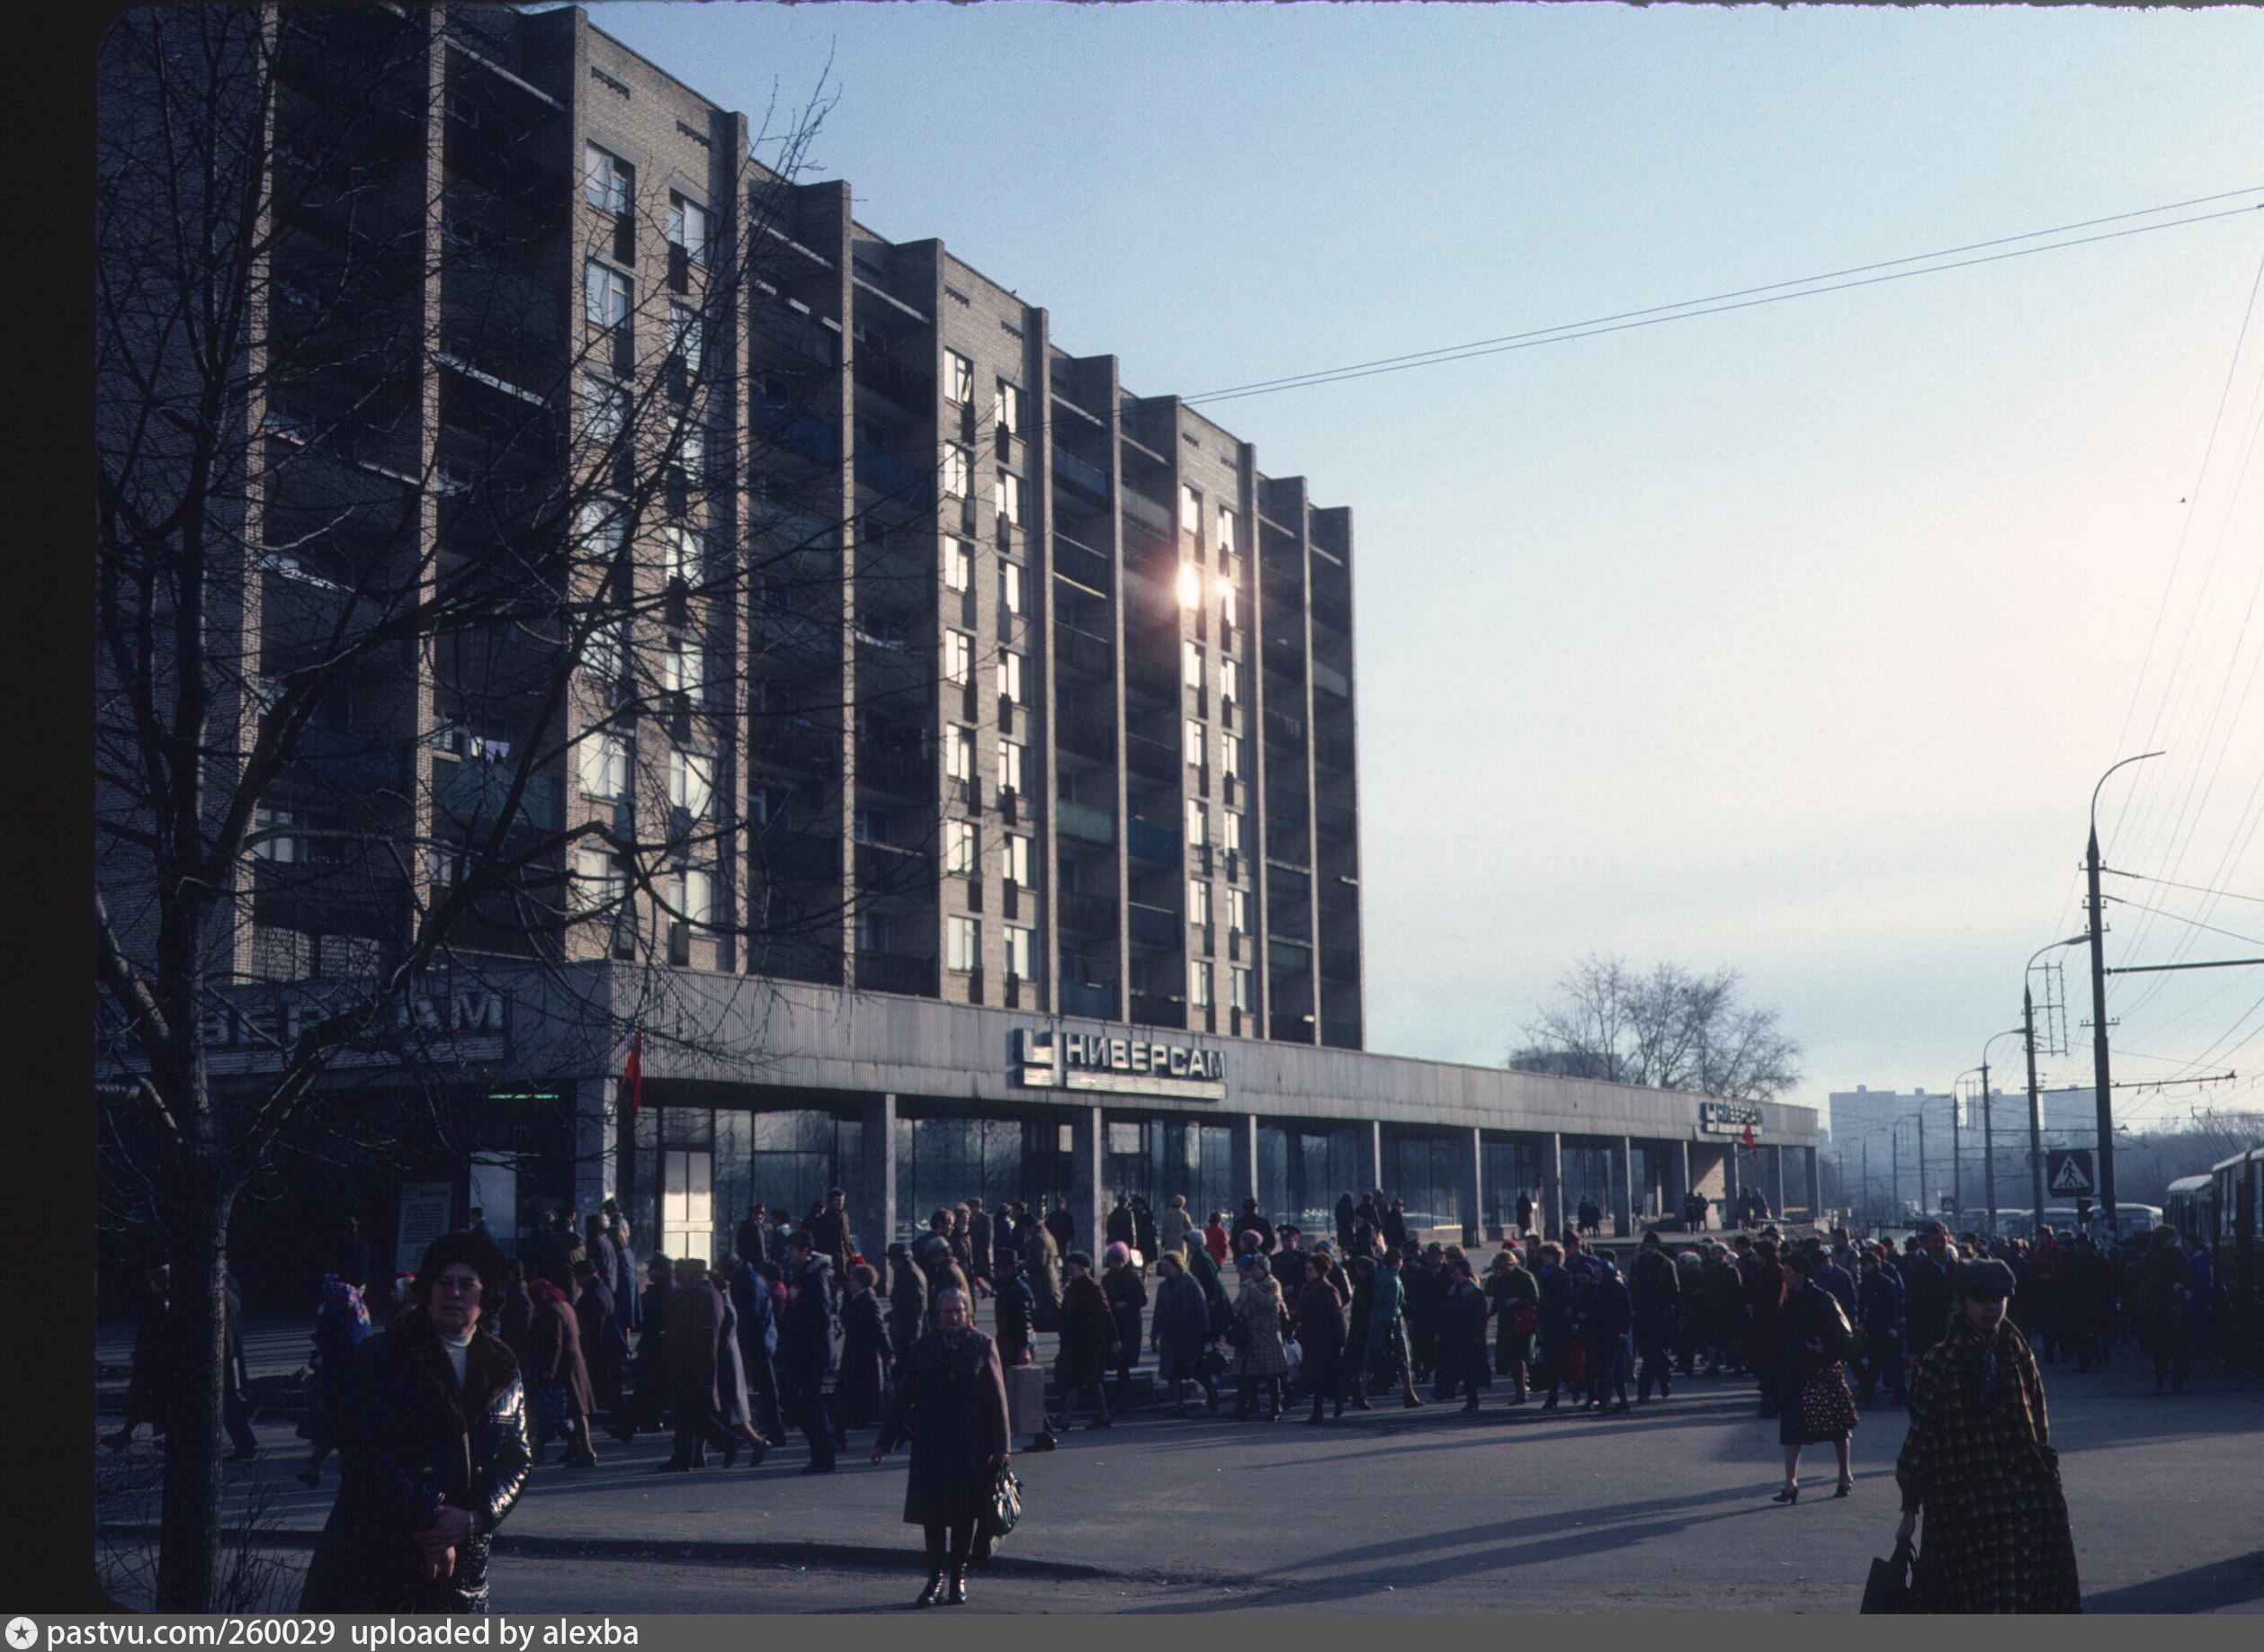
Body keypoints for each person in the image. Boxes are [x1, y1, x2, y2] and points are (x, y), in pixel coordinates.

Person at [300, 1231, 531, 1612]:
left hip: (464, 1564)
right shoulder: (383, 1355)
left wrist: (476, 1517)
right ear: (427, 1290)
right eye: (443, 1283)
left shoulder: (504, 1366)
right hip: (376, 1559)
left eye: (466, 1285)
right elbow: (363, 1451)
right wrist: (433, 1520)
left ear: (486, 1294)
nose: (453, 1293)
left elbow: (518, 1457)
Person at [1893, 1259, 2081, 1612]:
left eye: (1998, 1298)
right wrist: (1909, 1506)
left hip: (2020, 1498)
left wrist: (2046, 1476)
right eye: (1981, 1299)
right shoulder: (1941, 1361)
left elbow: (2038, 1423)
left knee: (2019, 1597)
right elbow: (1921, 1435)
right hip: (1962, 1505)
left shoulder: (2017, 1352)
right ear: (1963, 1303)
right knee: (1972, 1600)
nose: (1991, 1308)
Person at [872, 1287, 1011, 1608]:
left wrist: (1002, 1445)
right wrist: (884, 1442)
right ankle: (934, 1579)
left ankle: (958, 1578)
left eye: (958, 1311)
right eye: (947, 1312)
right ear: (938, 1315)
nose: (953, 1317)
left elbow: (997, 1399)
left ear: (967, 1314)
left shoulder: (982, 1344)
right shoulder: (924, 1347)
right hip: (932, 1445)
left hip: (970, 1446)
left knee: (963, 1517)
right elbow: (904, 1397)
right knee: (932, 1516)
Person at [1770, 1251, 1857, 1502]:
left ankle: (1844, 1474)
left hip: (1822, 1368)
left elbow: (1845, 1332)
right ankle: (1790, 1484)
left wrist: (1826, 1348)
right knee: (1791, 1429)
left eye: (1787, 1272)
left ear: (1800, 1274)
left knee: (1838, 1427)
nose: (1784, 1276)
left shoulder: (1822, 1299)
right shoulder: (1789, 1300)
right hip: (1794, 1369)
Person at [297, 1274, 372, 1487]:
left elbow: (333, 1349)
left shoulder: (336, 1317)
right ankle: (316, 1468)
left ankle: (320, 1469)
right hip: (355, 1381)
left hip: (341, 1383)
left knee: (338, 1429)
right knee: (338, 1430)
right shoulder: (357, 1314)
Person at [778, 1232, 839, 1472]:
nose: (788, 1254)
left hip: (812, 1351)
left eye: (792, 1250)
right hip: (803, 1349)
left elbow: (821, 1314)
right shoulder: (805, 1273)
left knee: (811, 1403)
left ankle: (823, 1455)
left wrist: (796, 1301)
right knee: (799, 1401)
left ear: (805, 1250)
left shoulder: (816, 1276)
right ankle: (822, 1452)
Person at [523, 1272, 597, 1469]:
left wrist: (549, 1369)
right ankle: (584, 1449)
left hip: (563, 1364)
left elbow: (554, 1341)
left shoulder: (549, 1310)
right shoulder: (564, 1306)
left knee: (562, 1409)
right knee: (576, 1410)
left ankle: (584, 1451)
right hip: (574, 1360)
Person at [105, 1266, 173, 1452]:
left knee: (150, 1400)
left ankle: (136, 1435)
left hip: (153, 1361)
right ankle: (129, 1433)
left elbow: (154, 1332)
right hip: (154, 1360)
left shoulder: (161, 1302)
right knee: (148, 1401)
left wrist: (144, 1352)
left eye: (153, 1281)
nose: (150, 1285)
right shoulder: (165, 1302)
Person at [1051, 1251, 1116, 1430]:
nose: (1070, 1272)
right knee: (1088, 1381)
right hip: (1077, 1342)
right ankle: (1102, 1416)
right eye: (1068, 1269)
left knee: (1079, 1381)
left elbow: (1106, 1314)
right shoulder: (1073, 1288)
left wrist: (1113, 1338)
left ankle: (1066, 1418)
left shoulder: (1092, 1288)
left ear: (1083, 1269)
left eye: (1073, 1269)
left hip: (1089, 1343)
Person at [1151, 1250, 1218, 1415]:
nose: (1164, 1269)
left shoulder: (1190, 1282)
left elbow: (1201, 1308)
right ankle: (1178, 1406)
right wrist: (1154, 1334)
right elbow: (1159, 1312)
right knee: (1172, 1372)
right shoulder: (1164, 1286)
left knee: (1195, 1369)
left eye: (1167, 1266)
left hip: (1189, 1333)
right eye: (1163, 1266)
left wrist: (1206, 1332)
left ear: (1176, 1265)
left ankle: (1212, 1393)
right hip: (1170, 1335)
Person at [1231, 1255, 1292, 1419]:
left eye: (1255, 1269)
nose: (1252, 1273)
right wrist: (1242, 1311)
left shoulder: (1272, 1284)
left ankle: (1275, 1407)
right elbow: (1236, 1305)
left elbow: (1270, 1303)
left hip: (1268, 1334)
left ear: (1264, 1270)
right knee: (1248, 1373)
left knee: (1272, 1374)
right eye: (1250, 1270)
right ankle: (1250, 1405)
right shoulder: (1247, 1285)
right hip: (1250, 1333)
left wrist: (1253, 1290)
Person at [836, 1262, 891, 1437]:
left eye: (852, 1280)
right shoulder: (857, 1299)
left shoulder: (868, 1301)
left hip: (862, 1353)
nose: (849, 1283)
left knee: (855, 1389)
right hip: (855, 1351)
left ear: (861, 1282)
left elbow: (878, 1329)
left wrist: (887, 1352)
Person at [1291, 1254, 1349, 1422]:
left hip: (1326, 1339)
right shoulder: (1306, 1288)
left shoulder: (1328, 1290)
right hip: (1309, 1338)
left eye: (1310, 1269)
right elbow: (1299, 1311)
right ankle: (1318, 1410)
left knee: (1325, 1377)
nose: (1307, 1273)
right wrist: (1291, 1328)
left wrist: (1340, 1340)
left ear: (1320, 1270)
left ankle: (1334, 1402)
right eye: (1306, 1269)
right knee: (1313, 1376)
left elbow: (1338, 1317)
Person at [2135, 1224, 2193, 1394]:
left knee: (2175, 1347)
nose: (2174, 1240)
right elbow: (2150, 1279)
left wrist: (2185, 1285)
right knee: (2164, 1347)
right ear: (2163, 1239)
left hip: (2172, 1303)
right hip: (2161, 1305)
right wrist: (2171, 1285)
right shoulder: (2153, 1257)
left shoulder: (2174, 1254)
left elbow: (2187, 1274)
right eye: (2171, 1237)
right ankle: (2163, 1382)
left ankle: (2174, 1383)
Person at [1434, 1256, 1492, 1412]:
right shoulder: (1453, 1291)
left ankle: (1473, 1399)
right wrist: (1441, 1332)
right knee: (1461, 1369)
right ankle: (1468, 1398)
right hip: (1455, 1336)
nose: (1455, 1278)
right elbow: (1446, 1313)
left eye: (1458, 1275)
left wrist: (1478, 1337)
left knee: (1471, 1370)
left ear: (1465, 1274)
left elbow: (1481, 1318)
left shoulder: (1475, 1292)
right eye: (1454, 1275)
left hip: (1471, 1337)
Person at [1366, 1249, 1424, 1408]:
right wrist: (1391, 1327)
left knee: (1372, 1357)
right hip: (1391, 1322)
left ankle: (1361, 1392)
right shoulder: (1394, 1280)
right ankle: (1409, 1393)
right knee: (1403, 1358)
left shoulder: (1379, 1276)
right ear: (1396, 1262)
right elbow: (1392, 1306)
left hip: (1376, 1319)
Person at [1629, 1230, 1680, 1402]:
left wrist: (1667, 1308)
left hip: (1659, 1314)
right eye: (1647, 1246)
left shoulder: (1666, 1264)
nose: (1649, 1250)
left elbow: (1674, 1290)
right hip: (1641, 1313)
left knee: (1651, 1355)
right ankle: (1664, 1375)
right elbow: (1632, 1285)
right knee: (1646, 1351)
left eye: (1653, 1247)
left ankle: (1644, 1392)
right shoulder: (1637, 1262)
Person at [1484, 1246, 1539, 1403]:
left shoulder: (1525, 1276)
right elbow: (1492, 1295)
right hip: (1506, 1321)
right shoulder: (1500, 1278)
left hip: (1522, 1321)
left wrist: (1518, 1300)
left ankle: (1522, 1391)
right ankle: (1521, 1389)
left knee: (1519, 1357)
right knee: (1508, 1358)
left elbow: (1534, 1298)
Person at [1854, 1248, 1907, 1407]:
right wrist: (1862, 1322)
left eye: (1867, 1265)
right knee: (1875, 1364)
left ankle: (1899, 1395)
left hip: (1885, 1328)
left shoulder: (1885, 1283)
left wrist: (1893, 1327)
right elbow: (1862, 1305)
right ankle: (1867, 1396)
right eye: (1862, 1265)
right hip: (1873, 1328)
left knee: (1890, 1365)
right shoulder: (1866, 1284)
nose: (1864, 1268)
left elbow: (1892, 1306)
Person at [1101, 1241, 1148, 1407]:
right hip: (1115, 1323)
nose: (1115, 1265)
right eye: (1112, 1261)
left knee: (1124, 1364)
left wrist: (1127, 1304)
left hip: (1129, 1325)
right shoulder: (1107, 1279)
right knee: (1117, 1362)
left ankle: (1124, 1400)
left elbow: (1143, 1299)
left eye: (1118, 1261)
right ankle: (1119, 1399)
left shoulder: (1132, 1278)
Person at [1160, 1193, 1196, 1261]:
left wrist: (1163, 1240)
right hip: (1180, 1241)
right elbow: (1190, 1228)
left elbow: (1164, 1229)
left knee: (1169, 1258)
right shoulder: (1184, 1215)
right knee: (1179, 1259)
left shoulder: (1167, 1215)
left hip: (1169, 1240)